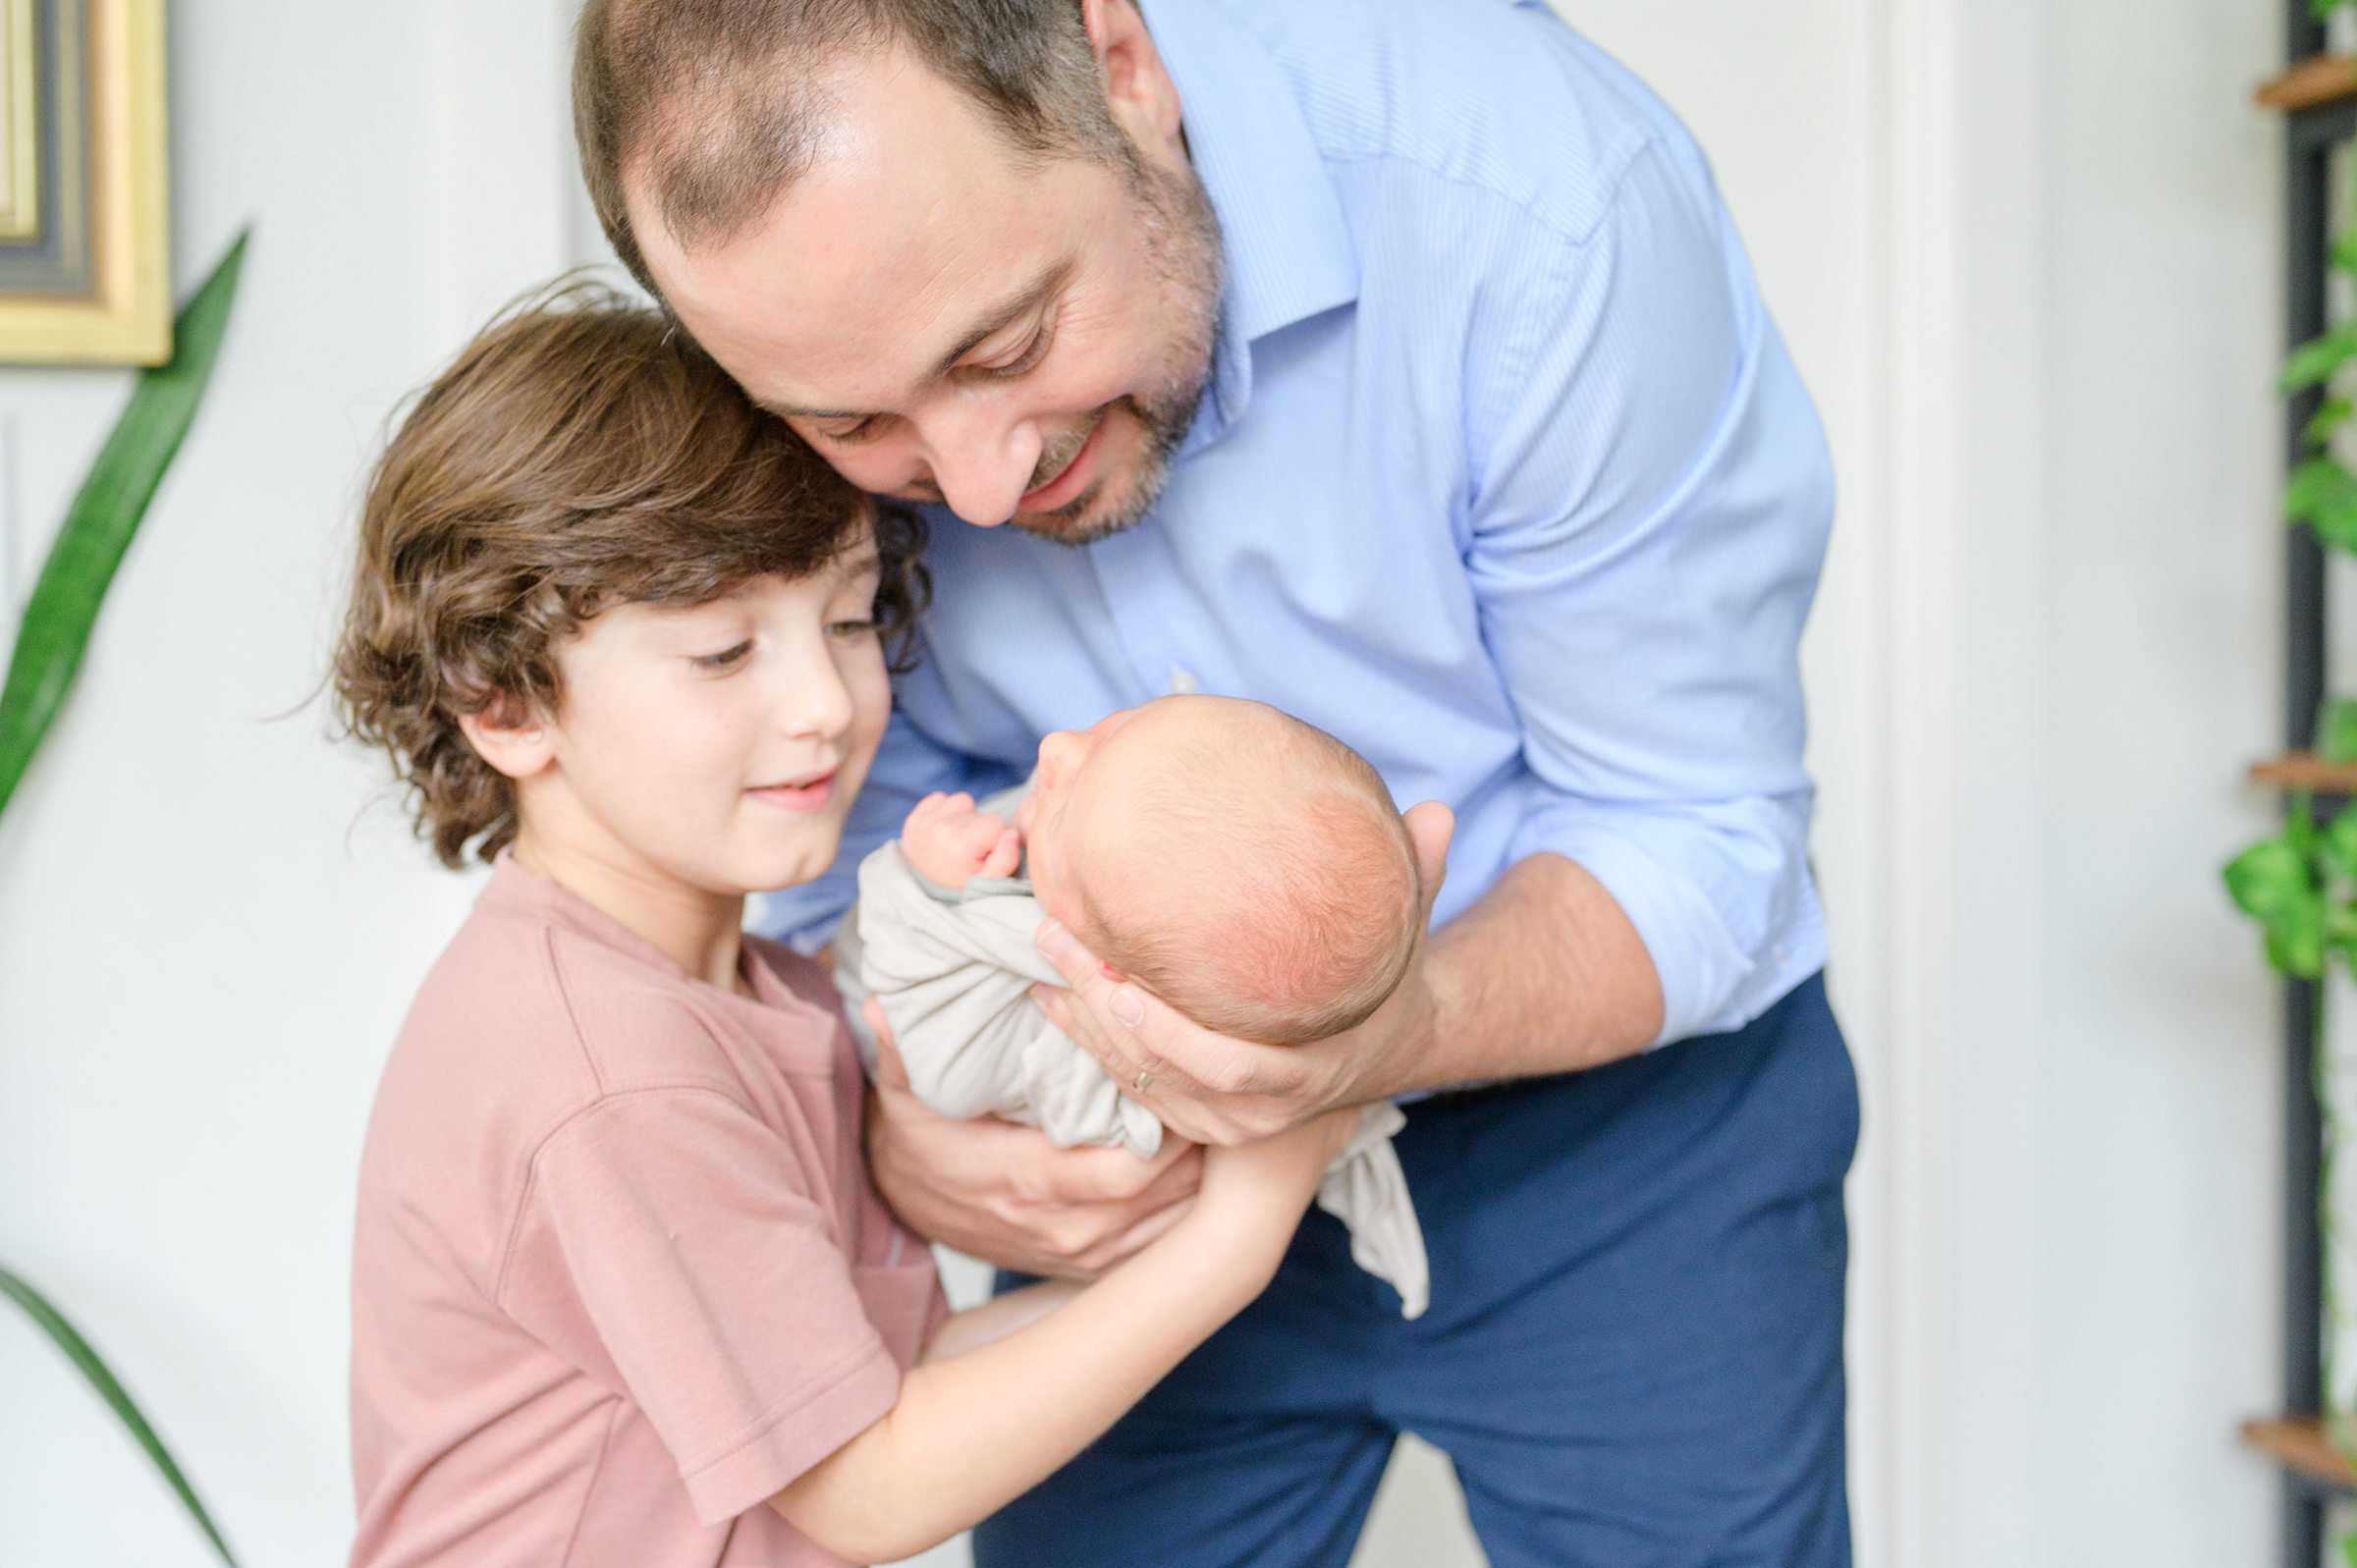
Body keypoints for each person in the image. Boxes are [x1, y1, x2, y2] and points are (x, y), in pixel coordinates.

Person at [574, 0, 1859, 1561]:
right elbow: (836, 841)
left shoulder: (1542, 207)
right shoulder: (790, 317)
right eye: (857, 426)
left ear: (1123, 75)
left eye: (1006, 347)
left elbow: (1696, 829)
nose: (978, 490)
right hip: (1108, 1182)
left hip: (1625, 1139)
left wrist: (1389, 1027)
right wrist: (898, 1130)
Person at [333, 284, 1355, 1568]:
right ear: (503, 701)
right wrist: (1242, 1230)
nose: (824, 700)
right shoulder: (606, 1068)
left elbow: (889, 1375)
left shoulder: (759, 990)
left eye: (846, 617)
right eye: (721, 652)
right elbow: (869, 1485)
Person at [837, 694, 1433, 1319]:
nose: (1057, 748)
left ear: (1105, 970)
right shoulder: (1121, 843)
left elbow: (948, 1077)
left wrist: (932, 886)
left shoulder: (1071, 1021)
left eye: (1061, 815)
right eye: (1120, 728)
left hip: (1144, 1237)